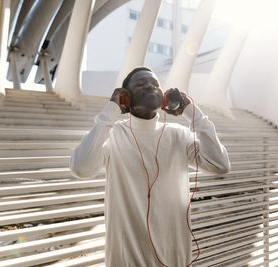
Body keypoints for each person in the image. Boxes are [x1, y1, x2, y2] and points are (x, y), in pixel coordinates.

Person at [70, 66, 230, 267]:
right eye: (141, 84)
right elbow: (81, 167)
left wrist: (193, 113)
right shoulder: (113, 134)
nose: (150, 87)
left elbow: (221, 165)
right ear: (126, 99)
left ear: (164, 99)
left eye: (155, 84)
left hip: (175, 261)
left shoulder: (178, 135)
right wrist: (110, 111)